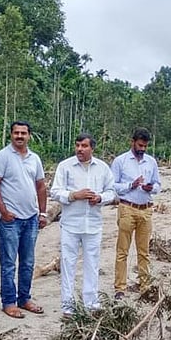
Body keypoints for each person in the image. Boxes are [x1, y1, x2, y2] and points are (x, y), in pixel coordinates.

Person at [51, 133, 116, 316]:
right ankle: (68, 305)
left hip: (93, 224)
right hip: (70, 224)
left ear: (92, 148)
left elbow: (111, 191)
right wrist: (73, 195)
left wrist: (100, 198)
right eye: (78, 145)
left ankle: (91, 303)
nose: (80, 149)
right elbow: (55, 192)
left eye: (84, 146)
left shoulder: (102, 168)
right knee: (68, 263)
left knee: (92, 263)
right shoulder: (65, 166)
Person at [0, 121, 48, 319]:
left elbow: (40, 186)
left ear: (29, 135)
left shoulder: (34, 159)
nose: (19, 136)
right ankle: (9, 302)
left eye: (23, 133)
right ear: (11, 135)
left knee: (28, 262)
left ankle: (24, 298)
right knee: (8, 263)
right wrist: (3, 212)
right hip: (10, 220)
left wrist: (43, 212)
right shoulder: (2, 157)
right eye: (16, 133)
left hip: (31, 218)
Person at [111, 128, 161, 299]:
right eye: (140, 145)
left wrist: (151, 188)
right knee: (122, 250)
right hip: (127, 208)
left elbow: (158, 185)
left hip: (146, 209)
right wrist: (130, 185)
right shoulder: (120, 161)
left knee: (144, 251)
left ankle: (145, 287)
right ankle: (120, 288)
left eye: (145, 146)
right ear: (132, 142)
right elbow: (112, 185)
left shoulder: (151, 162)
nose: (142, 149)